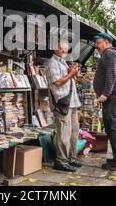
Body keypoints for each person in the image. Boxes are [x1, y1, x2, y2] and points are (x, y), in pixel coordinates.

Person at [92, 32, 116, 171]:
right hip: (115, 97)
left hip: (113, 97)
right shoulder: (113, 54)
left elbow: (111, 74)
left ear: (107, 42)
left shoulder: (108, 53)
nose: (96, 46)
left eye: (98, 43)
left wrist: (105, 94)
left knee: (113, 128)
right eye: (96, 43)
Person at [44, 40, 82, 172]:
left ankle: (71, 158)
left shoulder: (63, 62)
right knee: (64, 133)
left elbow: (69, 81)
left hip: (72, 102)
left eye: (66, 48)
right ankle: (61, 161)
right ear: (55, 48)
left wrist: (73, 73)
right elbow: (57, 83)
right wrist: (71, 73)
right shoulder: (51, 63)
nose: (64, 51)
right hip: (62, 102)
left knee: (74, 131)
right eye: (61, 48)